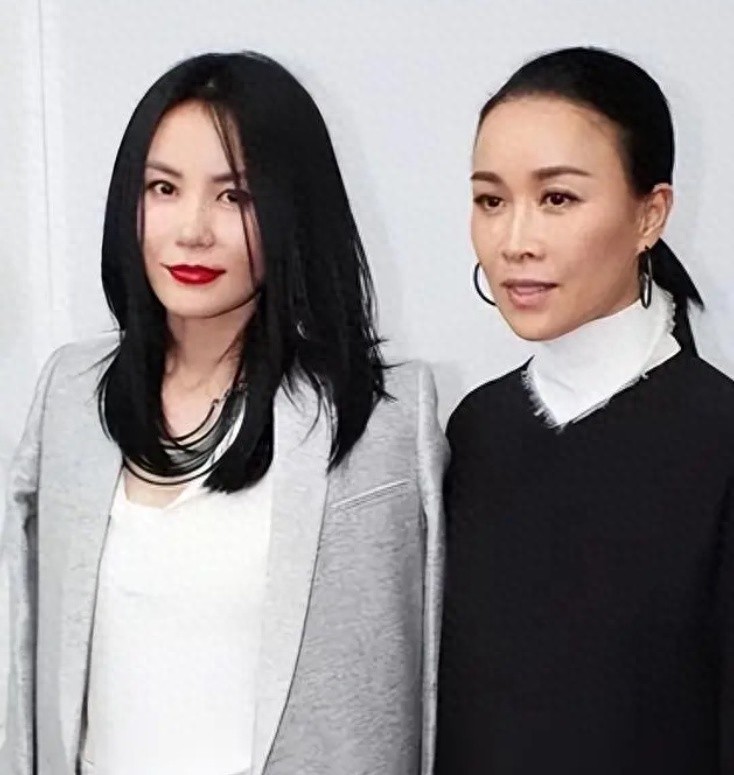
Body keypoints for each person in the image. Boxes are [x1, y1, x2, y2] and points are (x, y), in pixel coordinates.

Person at [1, 51, 446, 775]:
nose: (192, 230)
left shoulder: (383, 419)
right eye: (163, 188)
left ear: (290, 209)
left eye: (235, 196)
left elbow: (426, 692)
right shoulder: (70, 396)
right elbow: (30, 676)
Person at [435, 46, 734, 774]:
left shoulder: (719, 439)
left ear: (650, 214)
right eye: (491, 201)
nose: (515, 242)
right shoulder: (474, 431)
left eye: (558, 199)